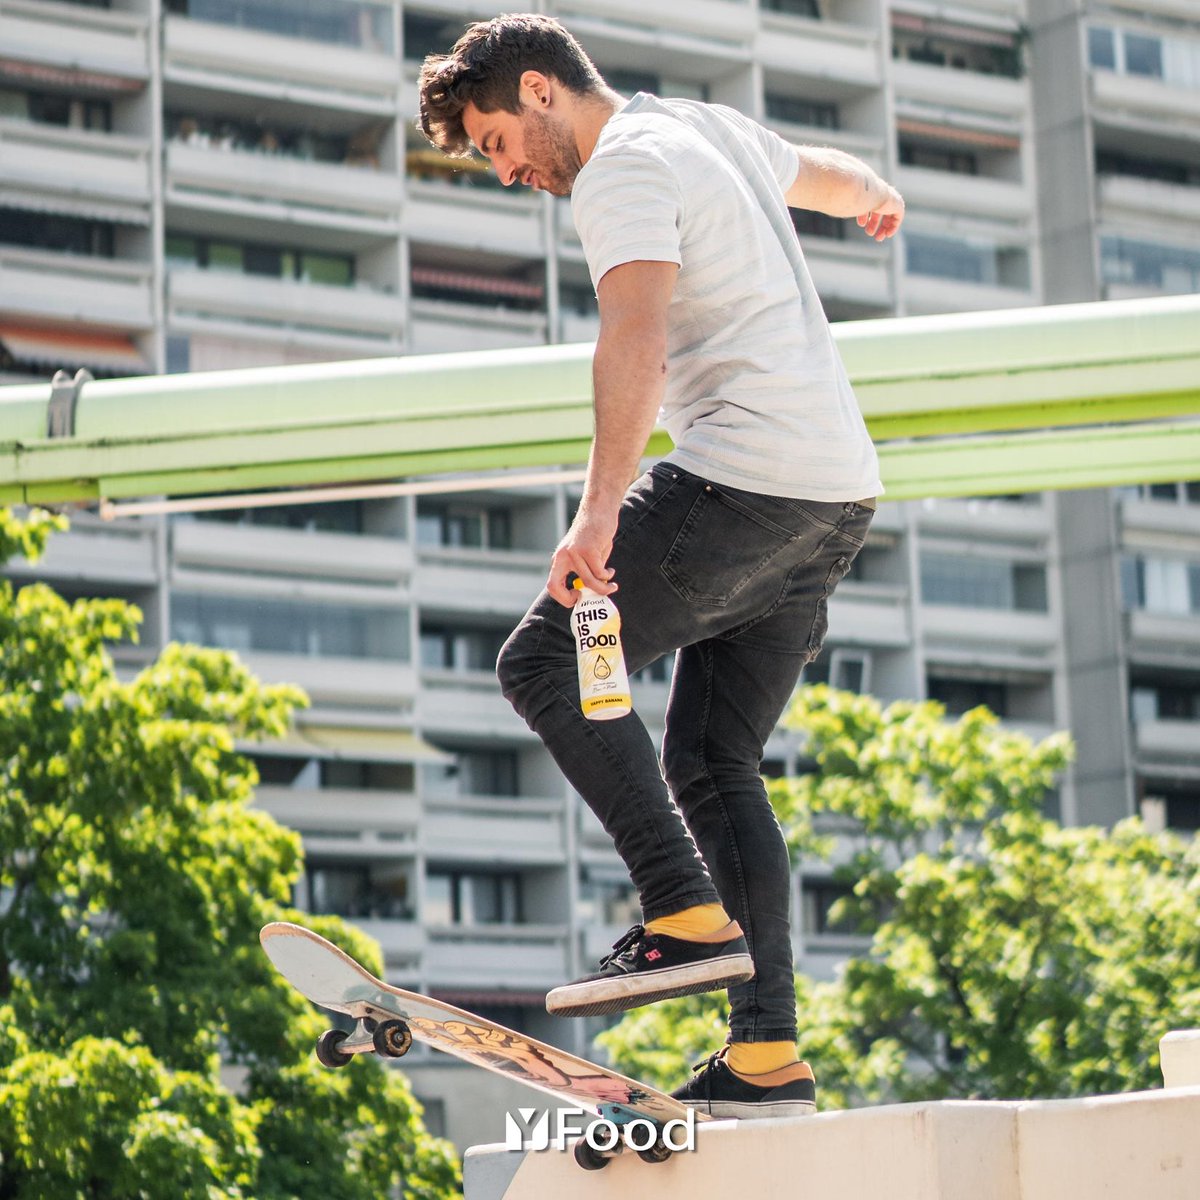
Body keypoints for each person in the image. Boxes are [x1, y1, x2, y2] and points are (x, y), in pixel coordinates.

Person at [418, 14, 899, 1120]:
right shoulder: (703, 127)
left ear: (540, 91)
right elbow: (815, 173)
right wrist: (871, 189)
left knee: (544, 662)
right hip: (833, 494)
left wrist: (595, 519)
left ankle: (681, 911)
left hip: (744, 477)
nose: (508, 173)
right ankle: (768, 1055)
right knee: (714, 757)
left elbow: (634, 336)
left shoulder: (620, 172)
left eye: (497, 143)